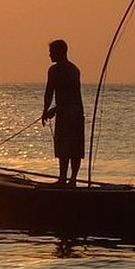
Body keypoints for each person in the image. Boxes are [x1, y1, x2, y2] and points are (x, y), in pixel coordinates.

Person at [41, 39, 85, 187]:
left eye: (52, 52)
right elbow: (73, 95)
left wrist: (46, 110)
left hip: (66, 113)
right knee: (75, 147)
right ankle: (72, 180)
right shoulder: (75, 69)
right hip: (77, 112)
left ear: (60, 52)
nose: (50, 55)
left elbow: (49, 92)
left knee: (65, 147)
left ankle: (62, 179)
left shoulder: (54, 70)